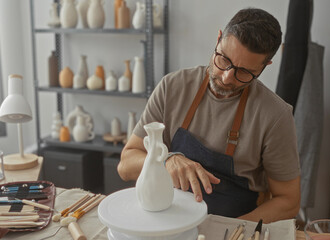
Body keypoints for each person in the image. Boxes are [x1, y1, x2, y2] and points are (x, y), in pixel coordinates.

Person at [117, 8, 300, 223]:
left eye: (243, 72)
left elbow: (289, 201)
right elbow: (125, 166)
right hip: (164, 221)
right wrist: (165, 160)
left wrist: (233, 229)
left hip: (232, 226)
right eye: (223, 59)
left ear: (264, 66)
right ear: (219, 38)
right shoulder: (172, 87)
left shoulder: (275, 116)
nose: (226, 77)